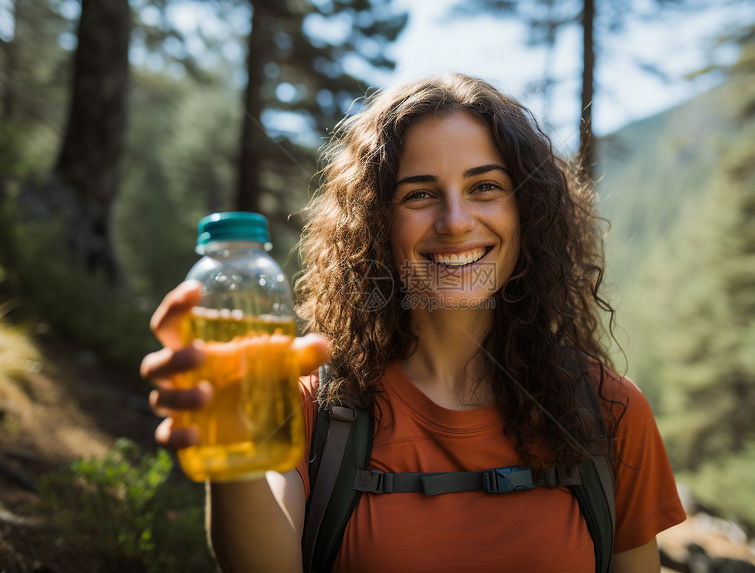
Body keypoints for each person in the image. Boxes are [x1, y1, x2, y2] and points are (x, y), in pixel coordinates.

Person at [141, 73, 686, 573]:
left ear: (529, 214)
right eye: (420, 194)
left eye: (485, 187)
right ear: (377, 222)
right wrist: (232, 448)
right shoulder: (312, 409)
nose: (454, 221)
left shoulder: (609, 413)